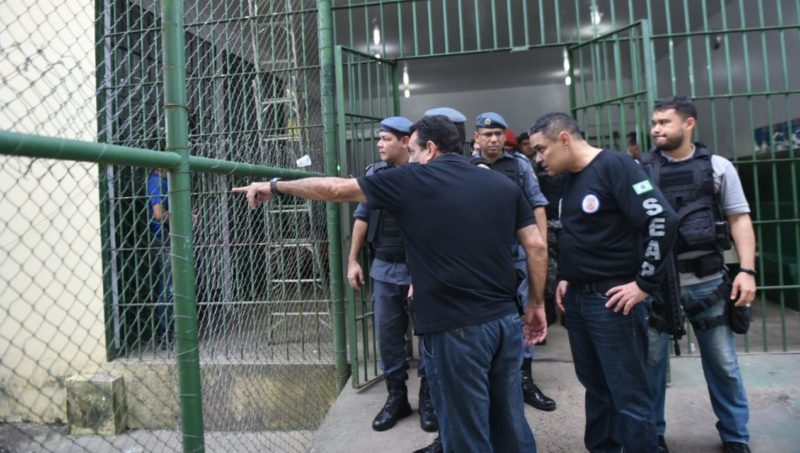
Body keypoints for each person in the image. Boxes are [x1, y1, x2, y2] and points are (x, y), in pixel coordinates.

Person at [234, 114, 548, 453]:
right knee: (510, 421)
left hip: (457, 327)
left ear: (429, 149)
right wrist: (536, 305)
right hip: (504, 321)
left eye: (412, 151)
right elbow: (536, 245)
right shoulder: (502, 184)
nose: (410, 158)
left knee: (466, 430)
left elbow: (336, 189)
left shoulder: (414, 179)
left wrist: (276, 185)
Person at [529, 112, 678, 452]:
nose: (538, 159)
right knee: (596, 390)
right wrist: (567, 275)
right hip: (580, 300)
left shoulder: (617, 167)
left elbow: (662, 219)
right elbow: (583, 233)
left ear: (564, 139)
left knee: (629, 394)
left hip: (612, 302)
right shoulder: (570, 178)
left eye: (542, 150)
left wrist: (643, 284)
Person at [642, 96, 756, 453]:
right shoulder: (640, 169)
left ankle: (736, 437)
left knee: (723, 364)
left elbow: (739, 219)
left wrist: (747, 271)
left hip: (709, 283)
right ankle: (651, 435)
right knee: (651, 366)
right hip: (657, 286)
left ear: (688, 124)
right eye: (654, 123)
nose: (656, 129)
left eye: (664, 122)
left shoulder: (718, 167)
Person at [346, 116, 437, 433]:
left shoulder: (425, 173)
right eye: (379, 139)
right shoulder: (375, 174)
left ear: (404, 141)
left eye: (386, 139)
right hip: (384, 266)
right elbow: (362, 218)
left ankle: (429, 399)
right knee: (387, 336)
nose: (380, 144)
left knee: (427, 336)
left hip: (420, 269)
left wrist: (422, 274)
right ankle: (397, 398)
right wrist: (353, 260)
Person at [472, 112, 556, 412]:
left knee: (525, 317)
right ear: (476, 137)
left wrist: (540, 248)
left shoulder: (519, 165)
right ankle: (487, 385)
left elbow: (538, 206)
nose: (494, 139)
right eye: (487, 134)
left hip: (516, 256)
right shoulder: (465, 166)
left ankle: (524, 380)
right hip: (479, 260)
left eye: (498, 133)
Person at [531, 142, 565, 326]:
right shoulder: (536, 169)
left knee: (557, 273)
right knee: (549, 274)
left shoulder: (570, 171)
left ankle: (554, 313)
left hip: (560, 225)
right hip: (548, 226)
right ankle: (549, 313)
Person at [147, 168, 174, 350]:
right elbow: (158, 213)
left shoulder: (165, 182)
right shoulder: (155, 182)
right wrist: (180, 216)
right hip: (162, 238)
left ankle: (171, 332)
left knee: (171, 285)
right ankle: (166, 334)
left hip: (169, 236)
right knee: (167, 286)